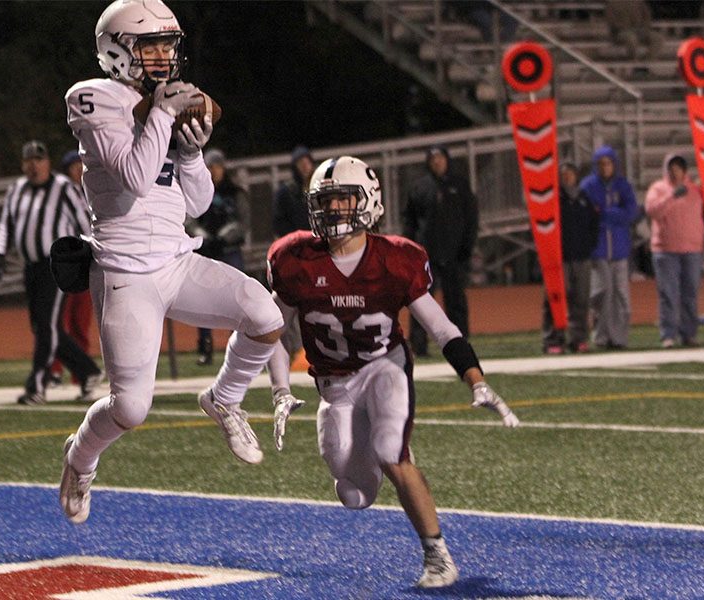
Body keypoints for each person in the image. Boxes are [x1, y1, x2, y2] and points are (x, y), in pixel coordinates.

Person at [58, 0, 284, 525]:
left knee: (266, 316)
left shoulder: (161, 103)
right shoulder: (93, 97)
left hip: (177, 261)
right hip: (126, 273)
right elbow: (135, 180)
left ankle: (224, 398)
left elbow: (198, 204)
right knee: (131, 408)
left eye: (167, 44)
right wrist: (161, 114)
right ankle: (80, 458)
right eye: (149, 45)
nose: (162, 56)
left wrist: (190, 154)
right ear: (117, 50)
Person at [266, 156, 519, 589]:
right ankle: (380, 450)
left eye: (343, 200)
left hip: (386, 367)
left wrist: (476, 379)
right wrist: (280, 389)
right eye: (325, 202)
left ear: (369, 201)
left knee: (391, 453)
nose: (333, 211)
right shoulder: (296, 259)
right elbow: (271, 331)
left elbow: (442, 328)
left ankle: (438, 555)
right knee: (354, 493)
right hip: (335, 385)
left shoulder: (396, 259)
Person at [0, 141, 103, 405]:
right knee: (41, 326)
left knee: (47, 326)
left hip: (54, 265)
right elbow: (6, 223)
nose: (33, 165)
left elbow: (83, 219)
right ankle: (88, 371)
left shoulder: (63, 188)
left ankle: (37, 386)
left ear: (47, 163)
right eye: (28, 160)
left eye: (38, 160)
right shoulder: (16, 190)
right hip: (31, 267)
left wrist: (89, 252)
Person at [402, 145, 479, 355]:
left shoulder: (459, 185)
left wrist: (467, 246)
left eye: (440, 158)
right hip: (425, 256)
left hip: (455, 254)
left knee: (456, 301)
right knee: (422, 302)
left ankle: (461, 343)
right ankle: (419, 345)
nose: (437, 162)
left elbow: (471, 218)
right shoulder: (420, 187)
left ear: (447, 160)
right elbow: (409, 221)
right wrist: (409, 249)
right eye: (433, 158)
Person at [186, 148, 249, 365]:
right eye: (209, 166)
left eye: (216, 166)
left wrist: (224, 237)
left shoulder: (235, 192)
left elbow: (242, 223)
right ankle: (205, 346)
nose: (213, 171)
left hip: (229, 251)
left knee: (237, 298)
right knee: (202, 301)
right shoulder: (197, 191)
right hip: (206, 252)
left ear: (223, 167)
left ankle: (238, 345)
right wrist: (204, 237)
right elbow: (190, 219)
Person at [580, 145, 638, 350]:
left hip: (620, 249)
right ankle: (602, 336)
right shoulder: (588, 186)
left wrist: (605, 213)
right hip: (599, 248)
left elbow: (631, 212)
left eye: (609, 163)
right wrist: (613, 214)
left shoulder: (623, 186)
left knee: (621, 294)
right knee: (603, 291)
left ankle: (620, 337)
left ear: (615, 164)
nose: (605, 167)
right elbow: (587, 215)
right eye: (602, 164)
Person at [644, 153, 704, 348]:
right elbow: (652, 211)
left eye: (679, 167)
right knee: (668, 293)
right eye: (672, 167)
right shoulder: (658, 188)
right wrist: (672, 195)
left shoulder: (695, 189)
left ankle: (689, 333)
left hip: (692, 248)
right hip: (666, 249)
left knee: (690, 292)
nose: (675, 171)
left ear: (684, 170)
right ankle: (668, 334)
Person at [541, 162, 600, 354]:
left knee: (581, 299)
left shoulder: (584, 199)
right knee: (555, 299)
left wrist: (588, 246)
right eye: (564, 174)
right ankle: (553, 339)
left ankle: (579, 338)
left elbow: (594, 224)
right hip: (560, 258)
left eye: (570, 174)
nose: (567, 177)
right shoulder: (553, 200)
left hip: (581, 257)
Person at [49, 150, 96, 386]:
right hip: (67, 261)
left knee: (81, 319)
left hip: (86, 261)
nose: (79, 170)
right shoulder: (59, 194)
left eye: (81, 165)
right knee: (58, 320)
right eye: (73, 166)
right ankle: (54, 370)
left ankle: (81, 375)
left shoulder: (93, 191)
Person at [272, 145, 316, 363]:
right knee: (289, 304)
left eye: (307, 161)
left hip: (318, 254)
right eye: (300, 162)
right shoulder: (286, 192)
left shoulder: (320, 188)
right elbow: (278, 223)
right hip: (296, 254)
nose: (305, 166)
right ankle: (295, 350)